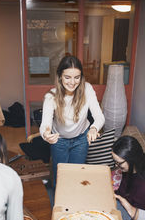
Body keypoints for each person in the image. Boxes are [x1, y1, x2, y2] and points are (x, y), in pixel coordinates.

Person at [39, 55, 105, 186]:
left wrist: (94, 128)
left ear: (81, 77)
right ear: (59, 77)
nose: (72, 82)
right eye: (67, 77)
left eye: (77, 77)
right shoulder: (51, 96)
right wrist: (46, 134)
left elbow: (99, 117)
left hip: (81, 140)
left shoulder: (87, 89)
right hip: (60, 141)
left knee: (77, 175)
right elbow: (45, 124)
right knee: (61, 177)